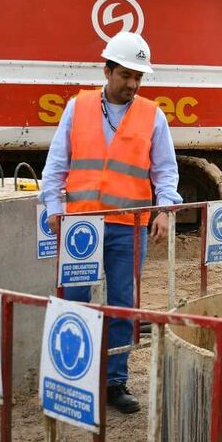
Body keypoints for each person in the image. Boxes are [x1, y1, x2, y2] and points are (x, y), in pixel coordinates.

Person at [40, 31, 182, 414]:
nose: (133, 85)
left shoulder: (153, 115)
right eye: (125, 75)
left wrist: (164, 209)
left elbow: (165, 171)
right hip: (81, 226)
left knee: (123, 303)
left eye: (139, 77)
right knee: (75, 298)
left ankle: (114, 382)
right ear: (107, 71)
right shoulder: (78, 107)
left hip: (128, 225)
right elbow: (57, 162)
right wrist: (54, 206)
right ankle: (73, 378)